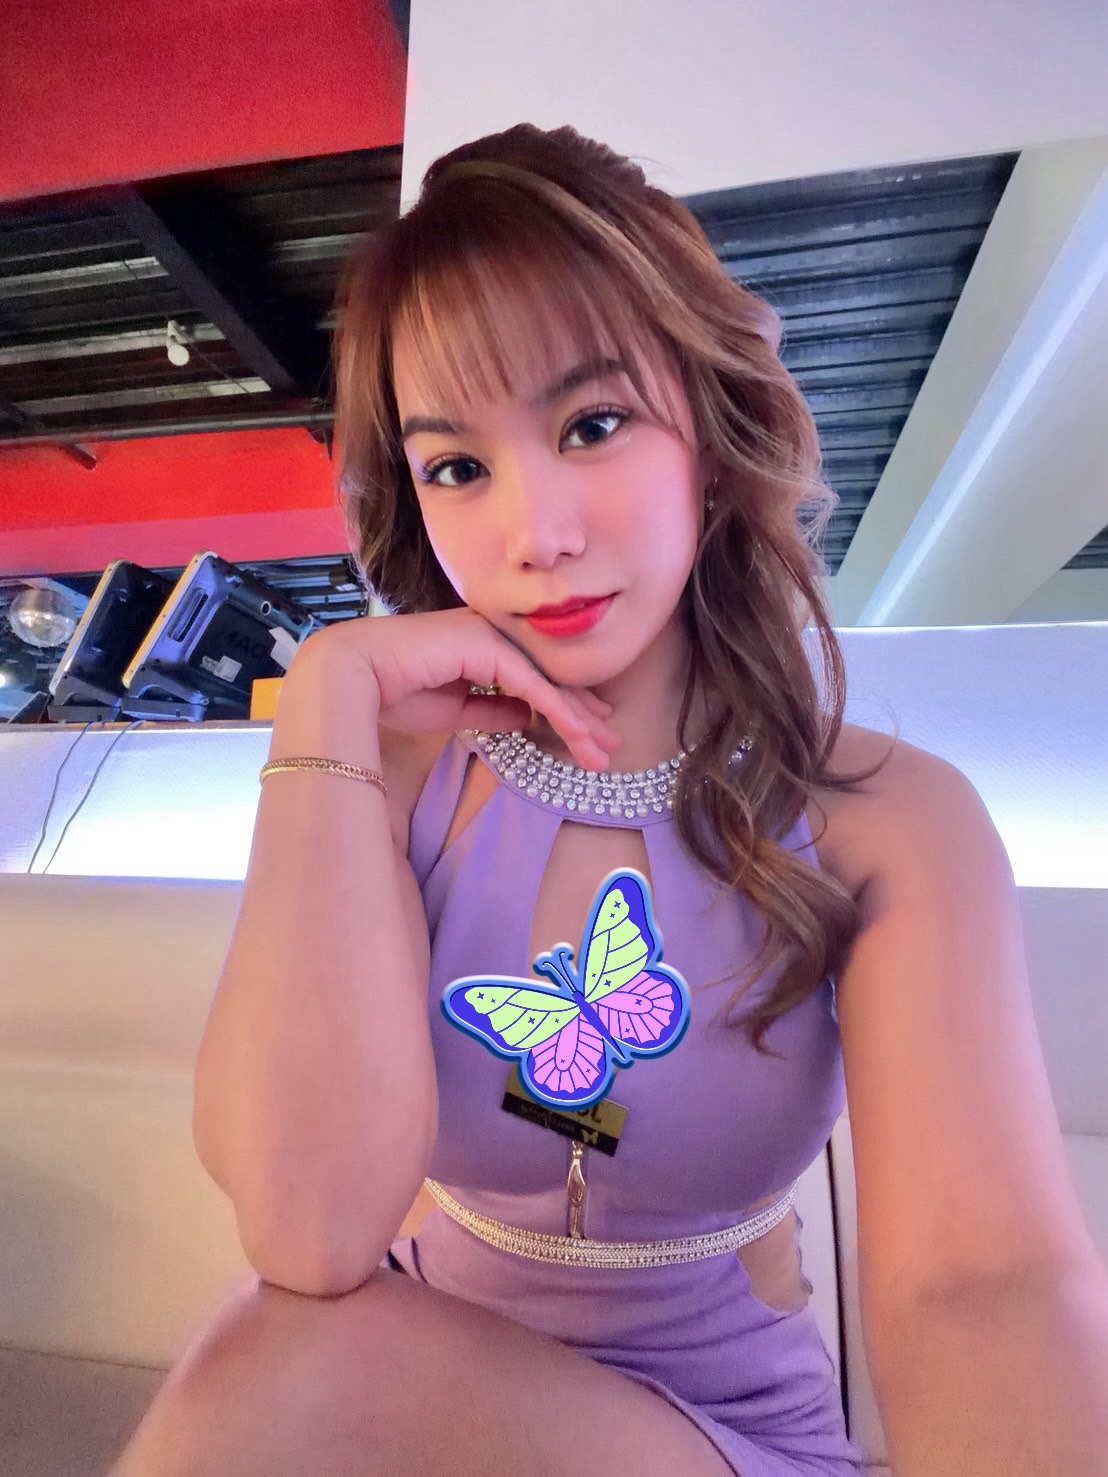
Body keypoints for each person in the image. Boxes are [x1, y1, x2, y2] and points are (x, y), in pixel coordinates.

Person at [112, 125, 1108, 1477]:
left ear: (711, 430)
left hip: (717, 1431)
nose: (538, 535)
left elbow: (982, 1285)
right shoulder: (384, 777)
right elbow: (310, 1233)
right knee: (280, 1355)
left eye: (593, 426)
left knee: (280, 1371)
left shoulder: (890, 824)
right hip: (400, 1399)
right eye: (459, 466)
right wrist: (329, 702)